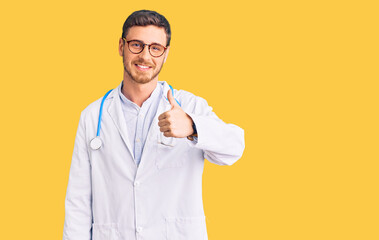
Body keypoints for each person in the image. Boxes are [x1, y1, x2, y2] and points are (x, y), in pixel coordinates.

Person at [63, 10, 245, 240]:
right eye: (136, 45)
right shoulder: (92, 117)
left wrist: (193, 127)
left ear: (165, 53)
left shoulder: (189, 106)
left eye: (155, 48)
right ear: (121, 46)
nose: (145, 56)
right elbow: (78, 201)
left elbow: (235, 147)